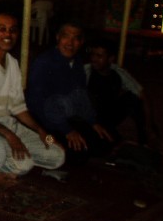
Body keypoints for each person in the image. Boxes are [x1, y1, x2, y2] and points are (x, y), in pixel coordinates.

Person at [0, 13, 65, 175]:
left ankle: (17, 157)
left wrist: (42, 132)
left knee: (58, 155)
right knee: (24, 165)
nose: (8, 35)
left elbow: (18, 108)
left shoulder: (13, 63)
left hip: (7, 123)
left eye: (13, 30)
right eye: (2, 29)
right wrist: (10, 137)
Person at [27, 21, 113, 160]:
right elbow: (37, 104)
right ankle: (40, 147)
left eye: (76, 38)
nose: (70, 43)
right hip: (42, 125)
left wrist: (92, 122)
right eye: (66, 36)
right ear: (58, 37)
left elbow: (81, 96)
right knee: (66, 152)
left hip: (65, 119)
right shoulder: (44, 62)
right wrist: (67, 130)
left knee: (102, 140)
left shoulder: (77, 62)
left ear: (82, 42)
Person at [85, 38, 153, 145]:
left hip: (109, 113)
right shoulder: (86, 71)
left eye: (99, 56)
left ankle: (145, 141)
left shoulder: (117, 73)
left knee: (134, 99)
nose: (94, 59)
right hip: (90, 116)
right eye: (93, 55)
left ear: (110, 59)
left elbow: (142, 94)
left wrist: (149, 127)